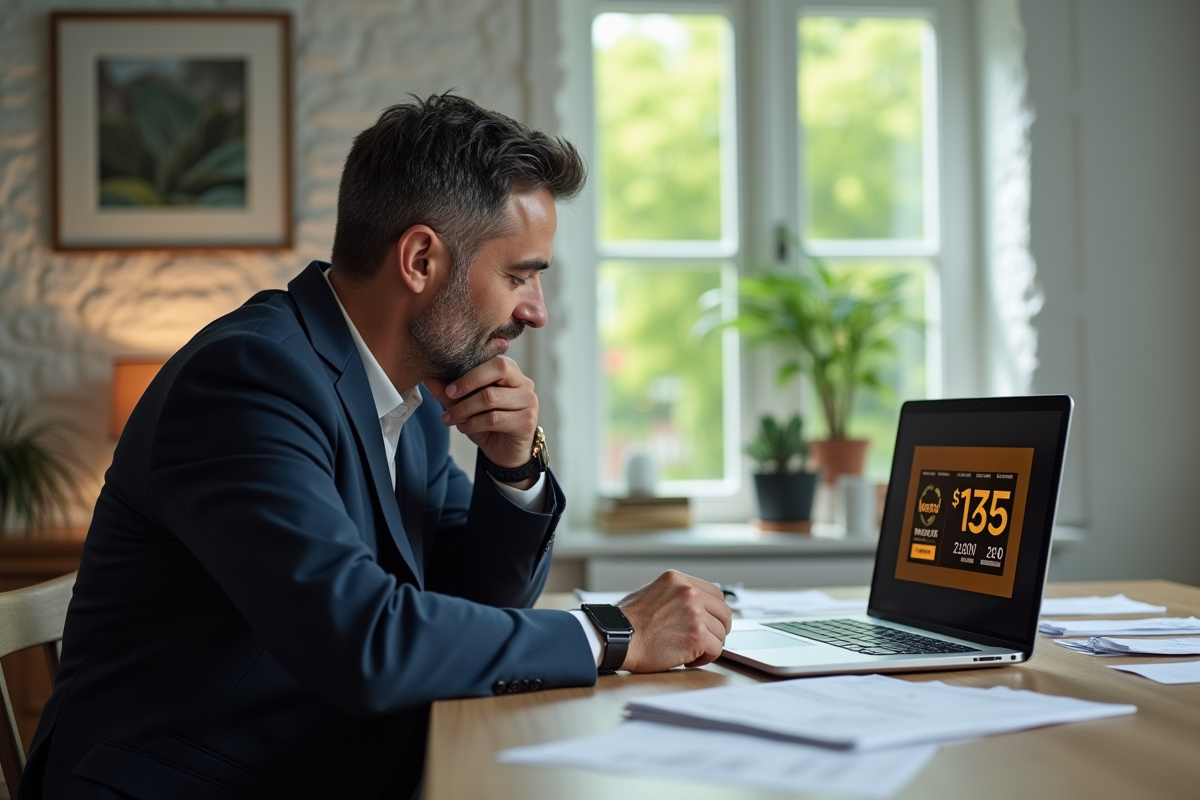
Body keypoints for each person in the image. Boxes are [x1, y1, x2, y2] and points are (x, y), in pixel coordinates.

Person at [18, 94, 732, 800]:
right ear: (420, 259)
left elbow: (479, 600)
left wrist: (514, 465)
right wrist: (611, 633)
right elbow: (361, 640)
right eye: (519, 276)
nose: (534, 312)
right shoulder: (246, 382)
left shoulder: (408, 395)